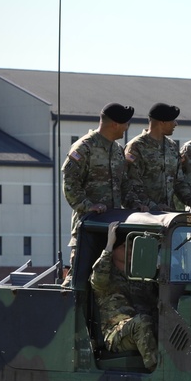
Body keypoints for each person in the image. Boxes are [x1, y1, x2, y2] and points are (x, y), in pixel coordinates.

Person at [62, 102, 135, 285]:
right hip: (90, 227)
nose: (127, 128)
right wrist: (89, 206)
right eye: (126, 124)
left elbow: (124, 185)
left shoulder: (118, 150)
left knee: (110, 283)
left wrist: (137, 206)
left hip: (113, 230)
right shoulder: (84, 148)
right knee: (82, 282)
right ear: (115, 124)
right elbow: (70, 183)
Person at [90, 222, 158, 370]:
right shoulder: (107, 277)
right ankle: (157, 372)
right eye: (123, 246)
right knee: (143, 322)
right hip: (116, 334)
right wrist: (109, 244)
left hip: (139, 329)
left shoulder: (140, 276)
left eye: (132, 246)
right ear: (113, 251)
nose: (129, 249)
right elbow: (98, 279)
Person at [125, 102, 184, 211]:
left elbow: (180, 183)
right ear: (162, 122)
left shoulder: (172, 147)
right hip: (145, 215)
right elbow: (131, 185)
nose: (175, 124)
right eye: (172, 120)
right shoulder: (136, 146)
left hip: (168, 215)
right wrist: (154, 207)